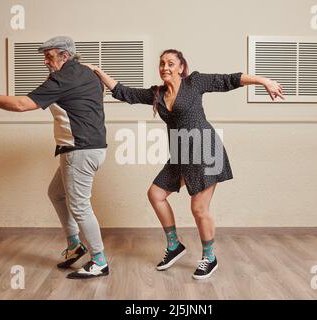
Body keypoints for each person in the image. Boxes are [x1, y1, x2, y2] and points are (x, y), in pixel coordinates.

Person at [85, 49, 284, 280]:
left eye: (170, 63)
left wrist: (264, 81)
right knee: (155, 194)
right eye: (161, 64)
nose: (165, 68)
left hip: (205, 151)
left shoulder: (194, 82)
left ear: (181, 67)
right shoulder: (157, 94)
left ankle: (209, 257)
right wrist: (98, 71)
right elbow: (124, 93)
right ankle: (174, 246)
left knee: (198, 208)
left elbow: (230, 80)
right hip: (180, 154)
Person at [0, 36, 109, 279]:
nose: (45, 61)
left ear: (65, 55)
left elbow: (21, 105)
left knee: (80, 206)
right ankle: (75, 245)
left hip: (79, 151)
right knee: (56, 193)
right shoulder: (87, 74)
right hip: (91, 149)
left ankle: (99, 261)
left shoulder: (64, 78)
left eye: (49, 56)